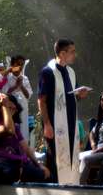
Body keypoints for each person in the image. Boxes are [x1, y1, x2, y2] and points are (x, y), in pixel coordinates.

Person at [38, 38, 90, 184]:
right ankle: (54, 189)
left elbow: (73, 96)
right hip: (55, 123)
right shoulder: (48, 72)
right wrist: (47, 124)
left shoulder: (71, 72)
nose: (75, 55)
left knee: (72, 154)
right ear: (62, 53)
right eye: (72, 52)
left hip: (71, 121)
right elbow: (41, 100)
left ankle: (71, 185)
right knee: (55, 157)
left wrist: (80, 95)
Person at [0, 94, 49, 185]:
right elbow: (9, 130)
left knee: (45, 174)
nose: (11, 112)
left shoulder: (15, 126)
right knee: (6, 174)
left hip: (17, 164)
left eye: (13, 109)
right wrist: (4, 106)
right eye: (9, 108)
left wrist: (39, 165)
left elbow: (26, 148)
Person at [79, 90, 103, 185]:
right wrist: (93, 144)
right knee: (76, 158)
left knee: (85, 159)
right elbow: (91, 133)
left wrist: (97, 151)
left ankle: (78, 187)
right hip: (98, 151)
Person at [1, 55, 33, 141]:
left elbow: (28, 95)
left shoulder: (25, 78)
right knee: (12, 128)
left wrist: (21, 86)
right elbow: (3, 93)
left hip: (23, 107)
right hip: (11, 108)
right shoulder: (7, 77)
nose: (20, 66)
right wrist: (15, 86)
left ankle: (23, 149)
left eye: (22, 64)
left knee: (23, 128)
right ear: (12, 65)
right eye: (18, 64)